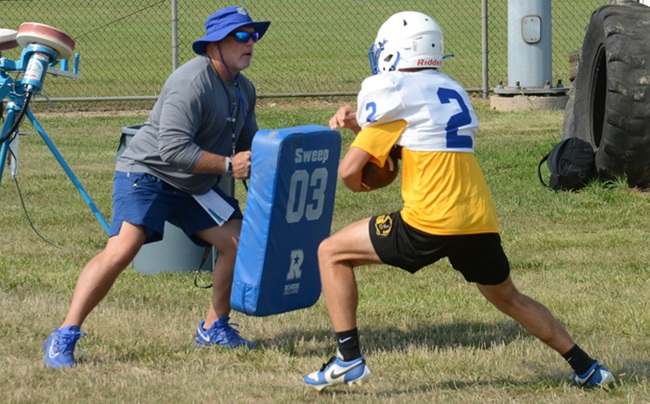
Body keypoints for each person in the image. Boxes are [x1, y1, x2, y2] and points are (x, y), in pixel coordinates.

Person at [303, 11, 614, 391]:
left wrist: (364, 171)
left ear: (395, 53)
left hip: (430, 219)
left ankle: (348, 359)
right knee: (510, 298)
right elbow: (416, 141)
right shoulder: (447, 89)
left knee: (331, 252)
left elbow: (350, 173)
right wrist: (364, 131)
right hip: (477, 217)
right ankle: (587, 367)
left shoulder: (392, 91)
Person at [42, 5, 270, 369]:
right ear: (214, 45)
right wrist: (230, 165)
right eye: (240, 36)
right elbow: (172, 149)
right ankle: (64, 334)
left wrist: (266, 161)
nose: (251, 42)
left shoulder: (244, 89)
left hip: (194, 184)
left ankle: (214, 328)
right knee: (123, 248)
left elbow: (247, 141)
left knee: (238, 241)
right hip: (148, 173)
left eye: (253, 35)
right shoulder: (189, 83)